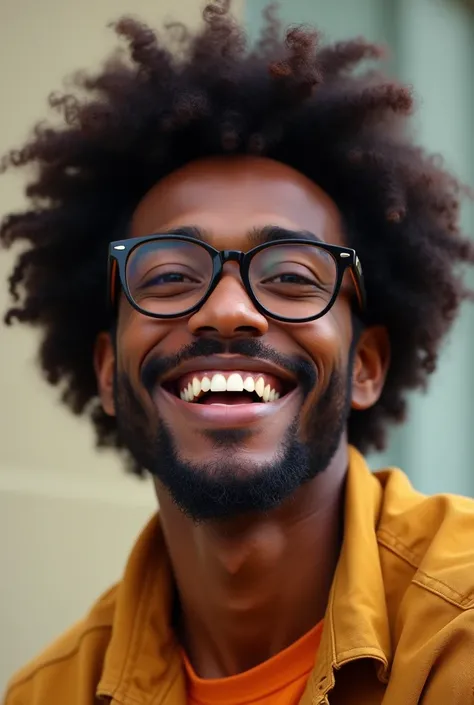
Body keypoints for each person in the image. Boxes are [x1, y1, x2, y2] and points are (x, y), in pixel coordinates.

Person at [2, 2, 474, 703]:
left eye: (290, 276)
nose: (226, 309)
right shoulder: (50, 692)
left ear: (367, 366)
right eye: (168, 276)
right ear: (108, 371)